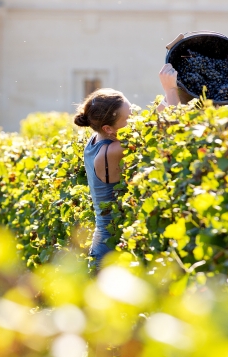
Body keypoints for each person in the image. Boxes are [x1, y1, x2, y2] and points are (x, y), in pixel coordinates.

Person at [75, 66, 180, 268]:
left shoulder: (96, 139)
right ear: (109, 128)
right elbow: (171, 126)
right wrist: (171, 91)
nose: (134, 119)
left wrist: (169, 97)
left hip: (108, 246)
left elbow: (148, 124)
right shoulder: (110, 152)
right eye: (129, 117)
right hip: (109, 253)